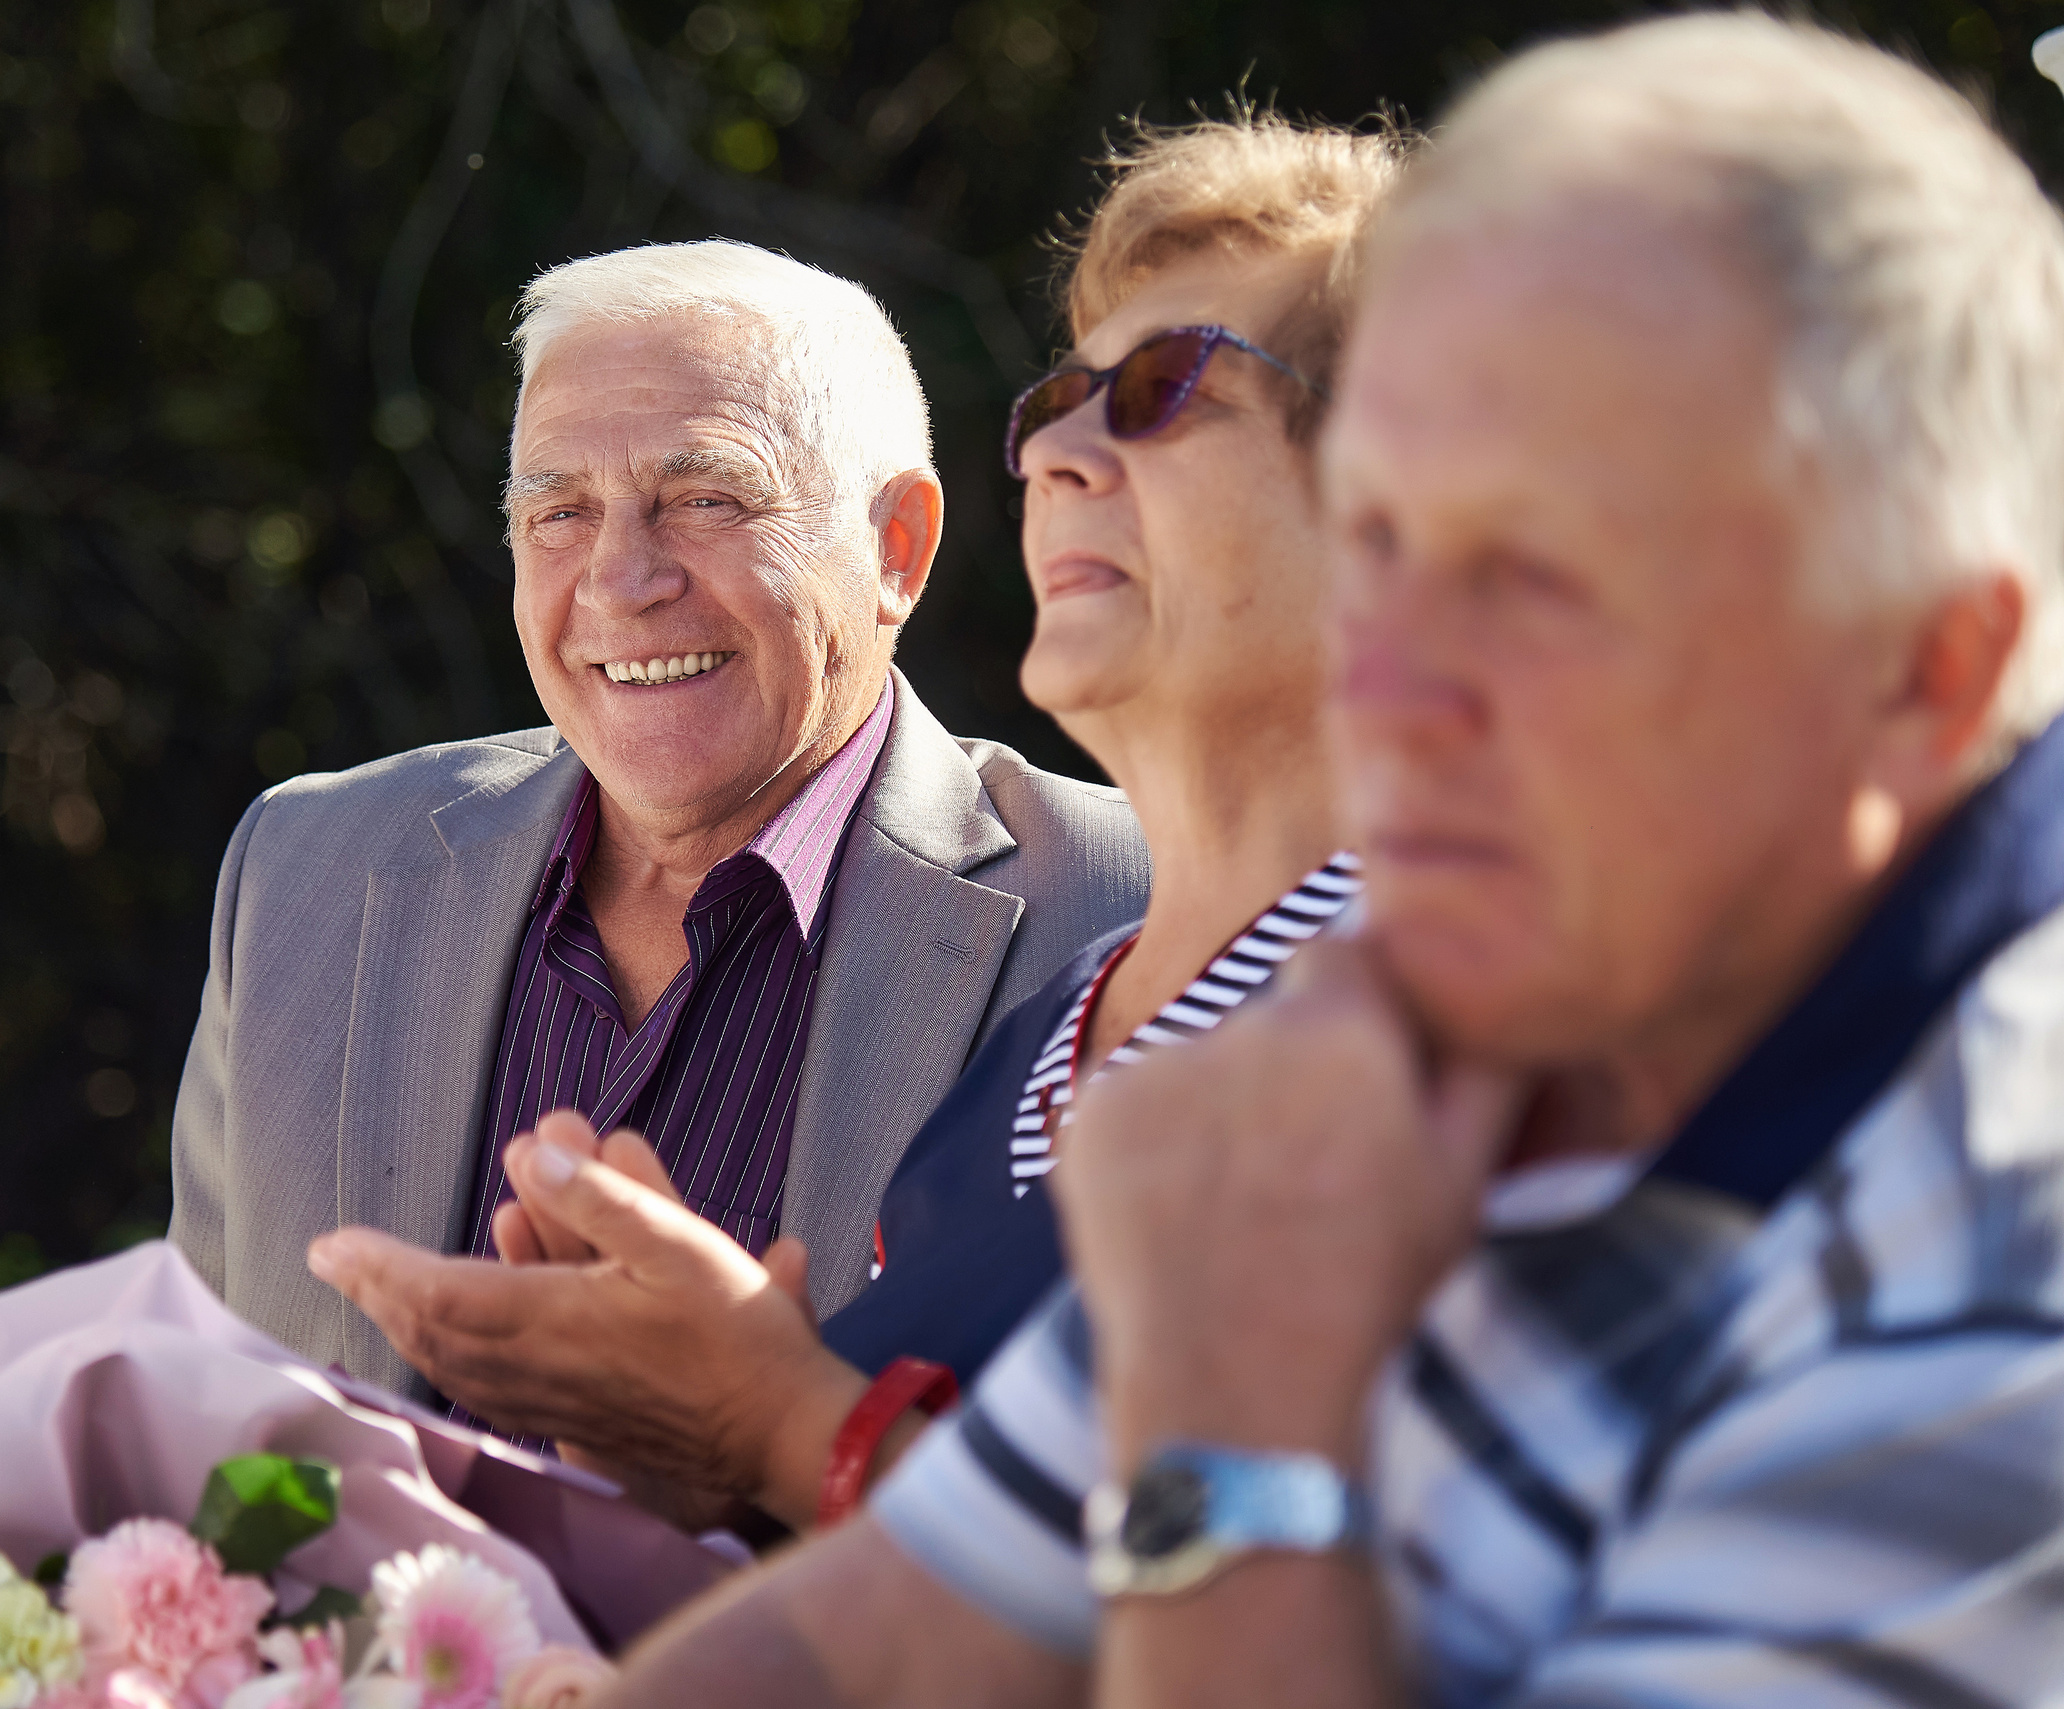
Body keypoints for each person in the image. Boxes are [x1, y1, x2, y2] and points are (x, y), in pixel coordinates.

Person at [583, 14, 2064, 1707]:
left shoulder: (2002, 1265)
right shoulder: (1428, 1020)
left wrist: (1226, 1398)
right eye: (1380, 542)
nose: (1395, 677)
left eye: (1537, 576)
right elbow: (876, 1633)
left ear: (1919, 671)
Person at [307, 117, 1400, 1527]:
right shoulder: (1054, 1033)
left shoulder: (1482, 1006)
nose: (1059, 446)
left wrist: (779, 1421)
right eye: (1064, 396)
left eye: (1166, 387)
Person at [171, 240, 1150, 1390]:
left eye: (706, 498)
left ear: (897, 548)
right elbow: (195, 1420)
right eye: (561, 513)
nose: (620, 579)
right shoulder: (309, 868)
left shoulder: (1139, 907)